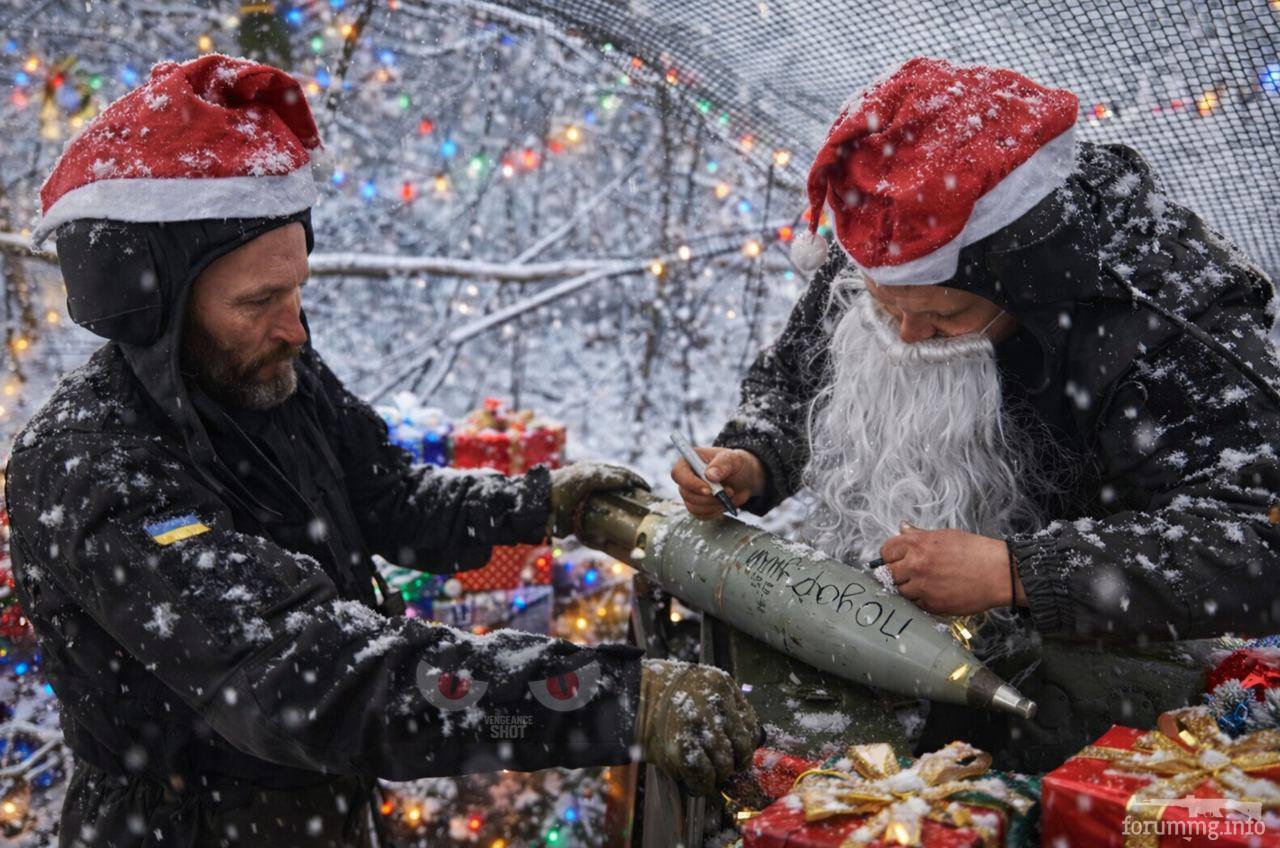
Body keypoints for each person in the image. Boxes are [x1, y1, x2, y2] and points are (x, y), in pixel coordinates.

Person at [7, 55, 758, 846]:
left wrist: (536, 502)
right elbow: (316, 679)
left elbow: (389, 498)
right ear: (154, 308)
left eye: (298, 290)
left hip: (325, 814)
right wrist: (614, 699)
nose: (296, 328)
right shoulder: (94, 468)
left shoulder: (266, 371)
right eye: (260, 301)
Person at [672, 57, 1280, 771]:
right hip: (881, 631)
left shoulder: (1162, 312)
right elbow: (795, 380)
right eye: (880, 304)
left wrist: (1020, 573)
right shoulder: (888, 241)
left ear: (1021, 281)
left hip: (1101, 666)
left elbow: (1254, 541)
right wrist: (753, 455)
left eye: (943, 316)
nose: (903, 337)